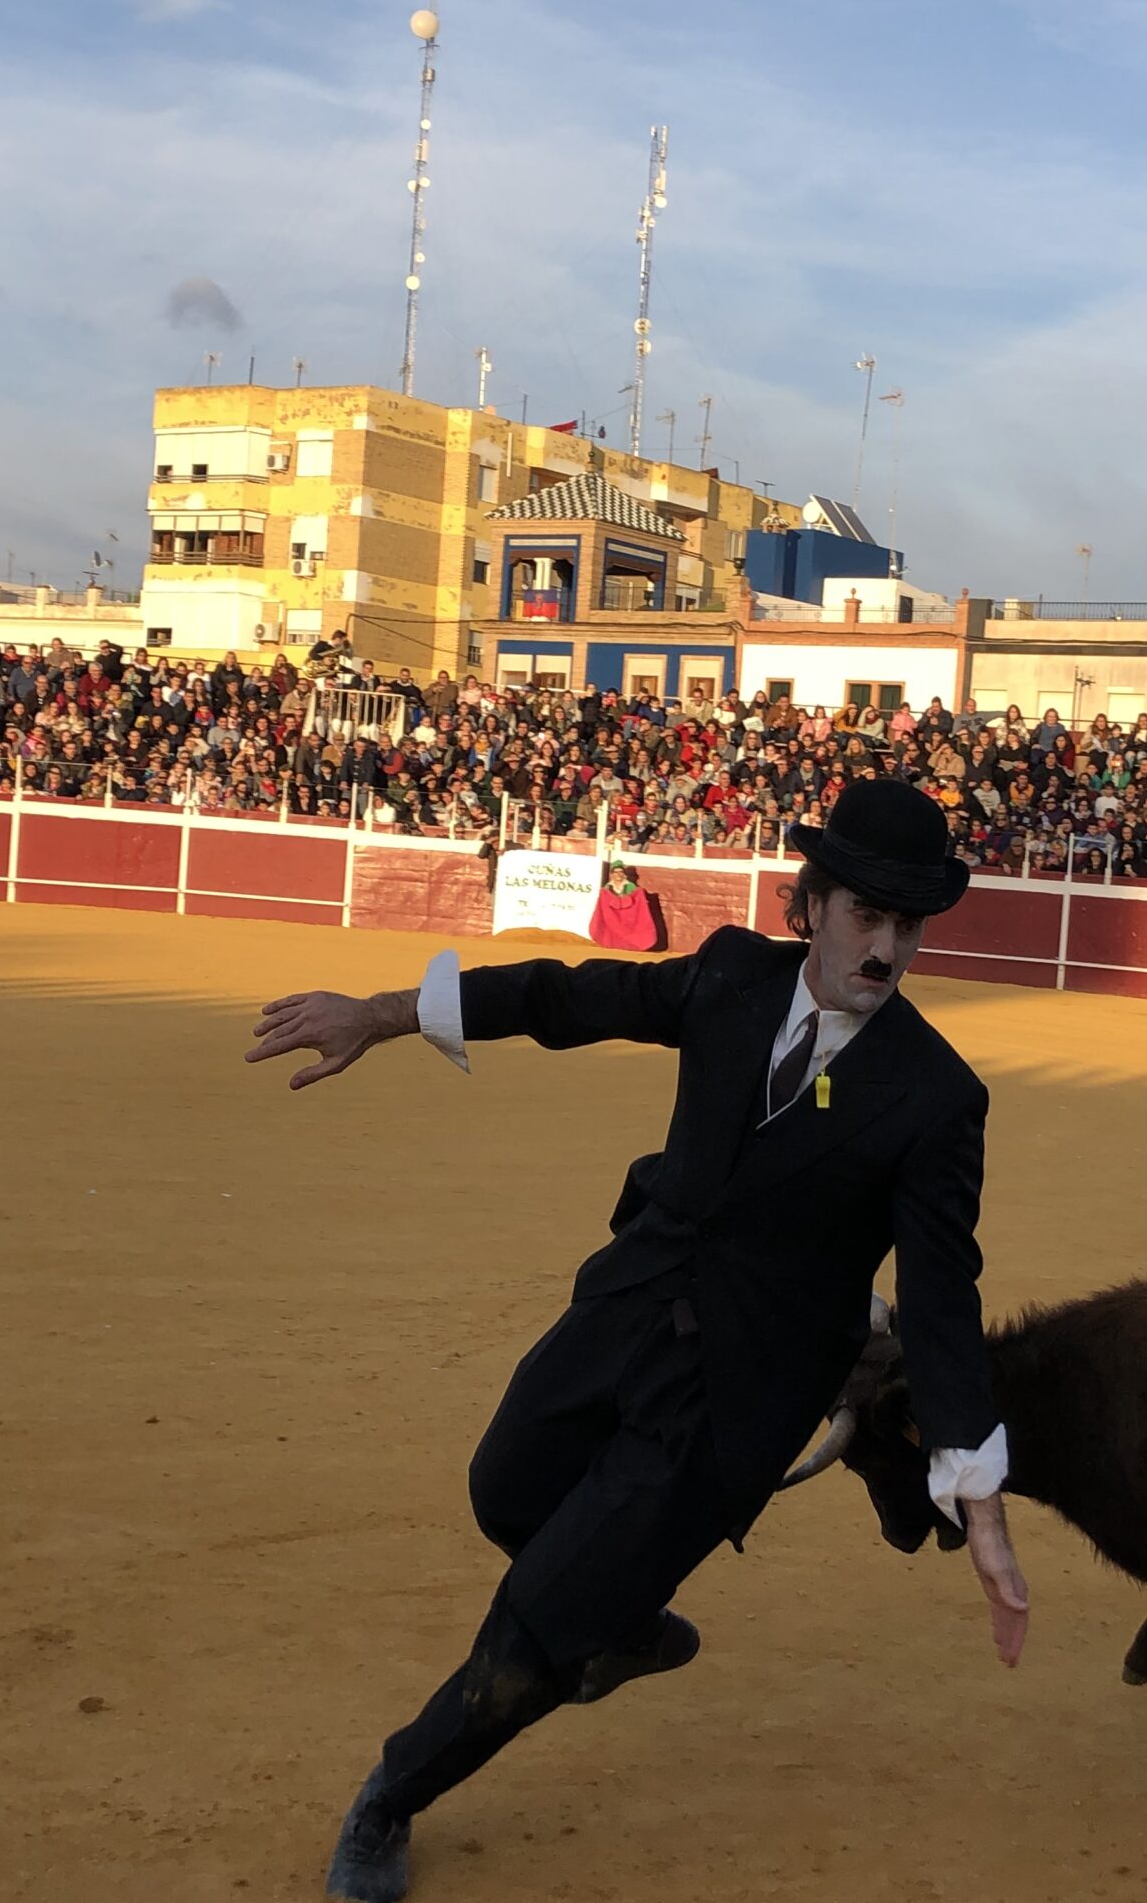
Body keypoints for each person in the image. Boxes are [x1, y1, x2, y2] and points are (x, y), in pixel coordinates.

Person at [245, 778, 1029, 1902]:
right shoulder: (728, 978)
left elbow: (943, 1297)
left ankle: (391, 1797)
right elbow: (567, 997)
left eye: (908, 927)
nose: (888, 948)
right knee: (503, 1490)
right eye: (868, 915)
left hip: (731, 1404)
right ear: (810, 905)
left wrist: (979, 1493)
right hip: (625, 1311)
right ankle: (619, 1621)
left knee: (533, 1630)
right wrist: (383, 1012)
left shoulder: (936, 1096)